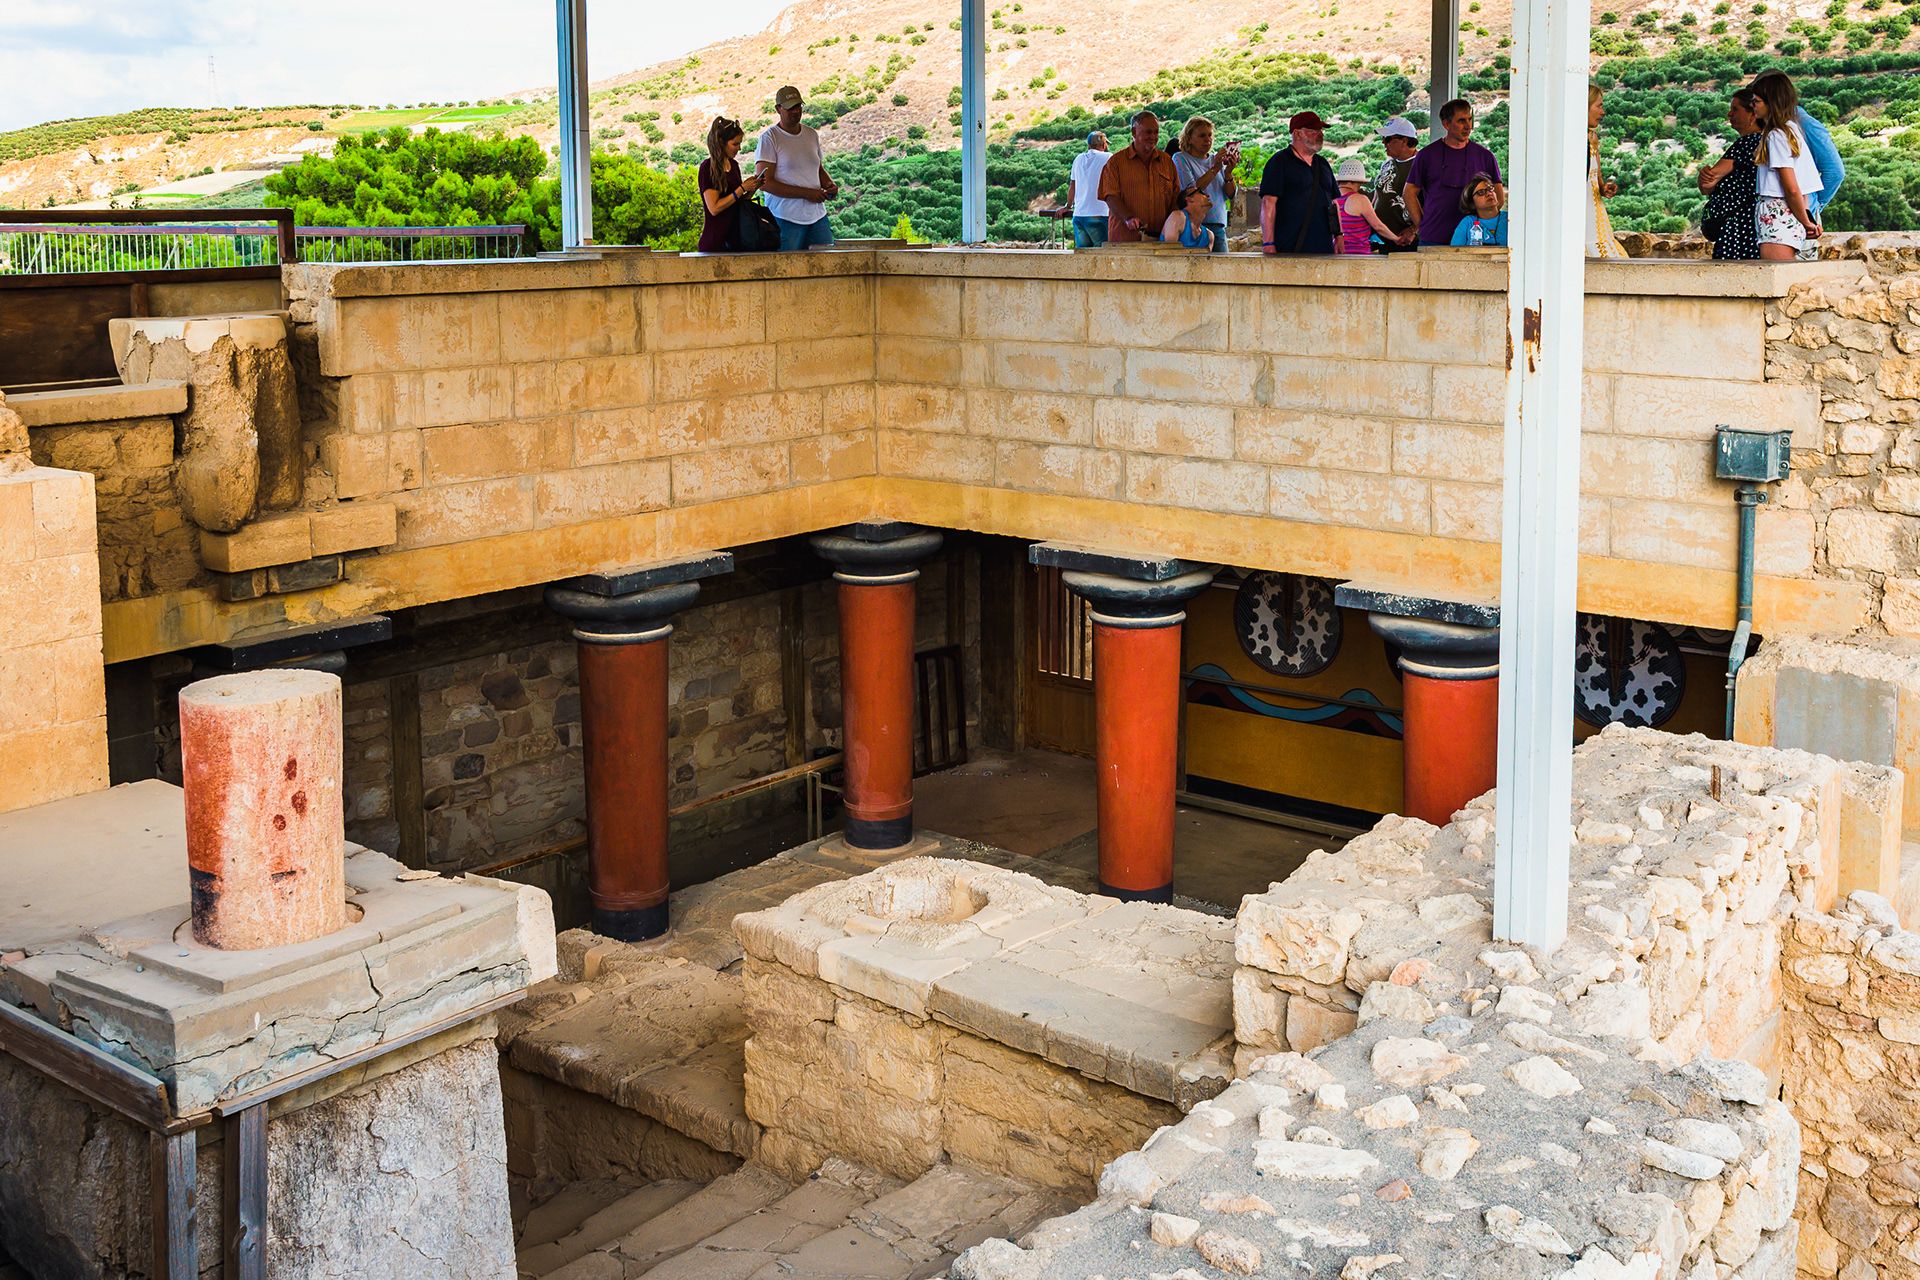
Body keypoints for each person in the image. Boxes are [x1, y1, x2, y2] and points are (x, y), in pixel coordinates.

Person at [1405, 99, 1504, 248]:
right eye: (1461, 121)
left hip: (1473, 241)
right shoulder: (1427, 155)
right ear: (1446, 124)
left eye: (1470, 119)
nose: (1468, 126)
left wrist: (1484, 223)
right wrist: (1422, 225)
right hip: (1433, 239)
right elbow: (1409, 193)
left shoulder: (1485, 156)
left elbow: (1499, 197)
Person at [1750, 70, 1844, 221]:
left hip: (1795, 216)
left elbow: (1835, 171)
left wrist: (1814, 206)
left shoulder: (1804, 125)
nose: (1752, 104)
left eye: (1756, 99)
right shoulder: (1775, 126)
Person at [755, 85, 839, 250]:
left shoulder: (811, 134)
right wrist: (806, 193)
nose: (796, 111)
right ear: (778, 109)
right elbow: (764, 183)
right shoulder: (769, 138)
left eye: (798, 106)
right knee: (788, 265)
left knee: (827, 263)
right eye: (790, 107)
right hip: (785, 218)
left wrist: (829, 185)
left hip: (817, 216)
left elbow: (817, 169)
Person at [1749, 74, 1822, 261]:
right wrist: (1806, 217)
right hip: (1792, 213)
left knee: (1776, 275)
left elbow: (1791, 188)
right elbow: (1802, 187)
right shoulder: (1791, 130)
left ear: (1771, 103)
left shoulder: (1776, 136)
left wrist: (1806, 223)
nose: (1752, 105)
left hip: (1777, 213)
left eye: (1757, 101)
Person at [1697, 89, 1765, 261]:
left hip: (1738, 227)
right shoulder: (1765, 141)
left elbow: (1707, 184)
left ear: (1753, 114)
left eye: (1735, 109)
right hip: (1755, 224)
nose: (1729, 114)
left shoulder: (1746, 143)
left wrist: (1704, 175)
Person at [1259, 111, 1339, 255]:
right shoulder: (1279, 162)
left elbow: (1333, 203)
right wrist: (1268, 243)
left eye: (1321, 130)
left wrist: (1339, 236)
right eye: (1314, 130)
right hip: (1290, 248)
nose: (1321, 134)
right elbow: (1268, 203)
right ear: (1297, 134)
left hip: (1324, 249)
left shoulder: (1323, 164)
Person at [1098, 111, 1182, 243]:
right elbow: (1110, 197)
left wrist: (1172, 227)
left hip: (1160, 240)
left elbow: (1175, 197)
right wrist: (1128, 218)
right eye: (1148, 132)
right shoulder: (1115, 163)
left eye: (1156, 132)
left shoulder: (1167, 162)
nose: (1153, 137)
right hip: (1125, 241)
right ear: (1134, 132)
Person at [1171, 116, 1239, 254]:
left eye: (1210, 135)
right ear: (1189, 138)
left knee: (1223, 266)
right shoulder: (1180, 158)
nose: (1208, 139)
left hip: (1218, 226)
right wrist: (1215, 169)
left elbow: (1231, 194)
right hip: (1193, 226)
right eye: (1202, 136)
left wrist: (1228, 174)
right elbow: (1191, 190)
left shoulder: (1215, 160)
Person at [697, 117, 765, 253]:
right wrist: (742, 188)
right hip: (715, 242)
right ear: (721, 142)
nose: (739, 148)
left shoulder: (734, 165)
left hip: (736, 242)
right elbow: (714, 208)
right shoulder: (708, 168)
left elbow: (737, 204)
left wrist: (752, 188)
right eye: (735, 144)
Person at [1587, 86, 1628, 259]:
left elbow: (1596, 176)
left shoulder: (1592, 139)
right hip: (1583, 218)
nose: (1602, 112)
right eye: (1599, 106)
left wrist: (1603, 188)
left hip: (1594, 213)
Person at [1370, 117, 1423, 251]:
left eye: (1387, 139)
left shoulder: (1423, 164)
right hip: (1381, 239)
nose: (1383, 142)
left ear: (1404, 141)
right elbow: (1377, 196)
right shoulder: (1386, 164)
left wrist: (1413, 230)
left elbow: (1432, 203)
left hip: (1407, 242)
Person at [1334, 156, 1402, 254]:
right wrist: (1396, 239)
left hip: (1337, 253)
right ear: (1359, 181)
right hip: (1359, 253)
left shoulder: (1331, 198)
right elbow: (1378, 226)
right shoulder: (1360, 200)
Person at [1067, 132, 1112, 248]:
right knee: (1102, 255)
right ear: (1104, 144)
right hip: (1100, 215)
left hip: (1079, 215)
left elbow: (1072, 185)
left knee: (1084, 255)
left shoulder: (1078, 159)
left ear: (1089, 146)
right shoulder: (1108, 157)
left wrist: (1068, 206)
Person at [1449, 173, 1508, 246]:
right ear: (1471, 203)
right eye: (1481, 192)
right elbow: (1455, 251)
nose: (1489, 193)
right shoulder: (1467, 223)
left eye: (1490, 189)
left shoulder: (1509, 218)